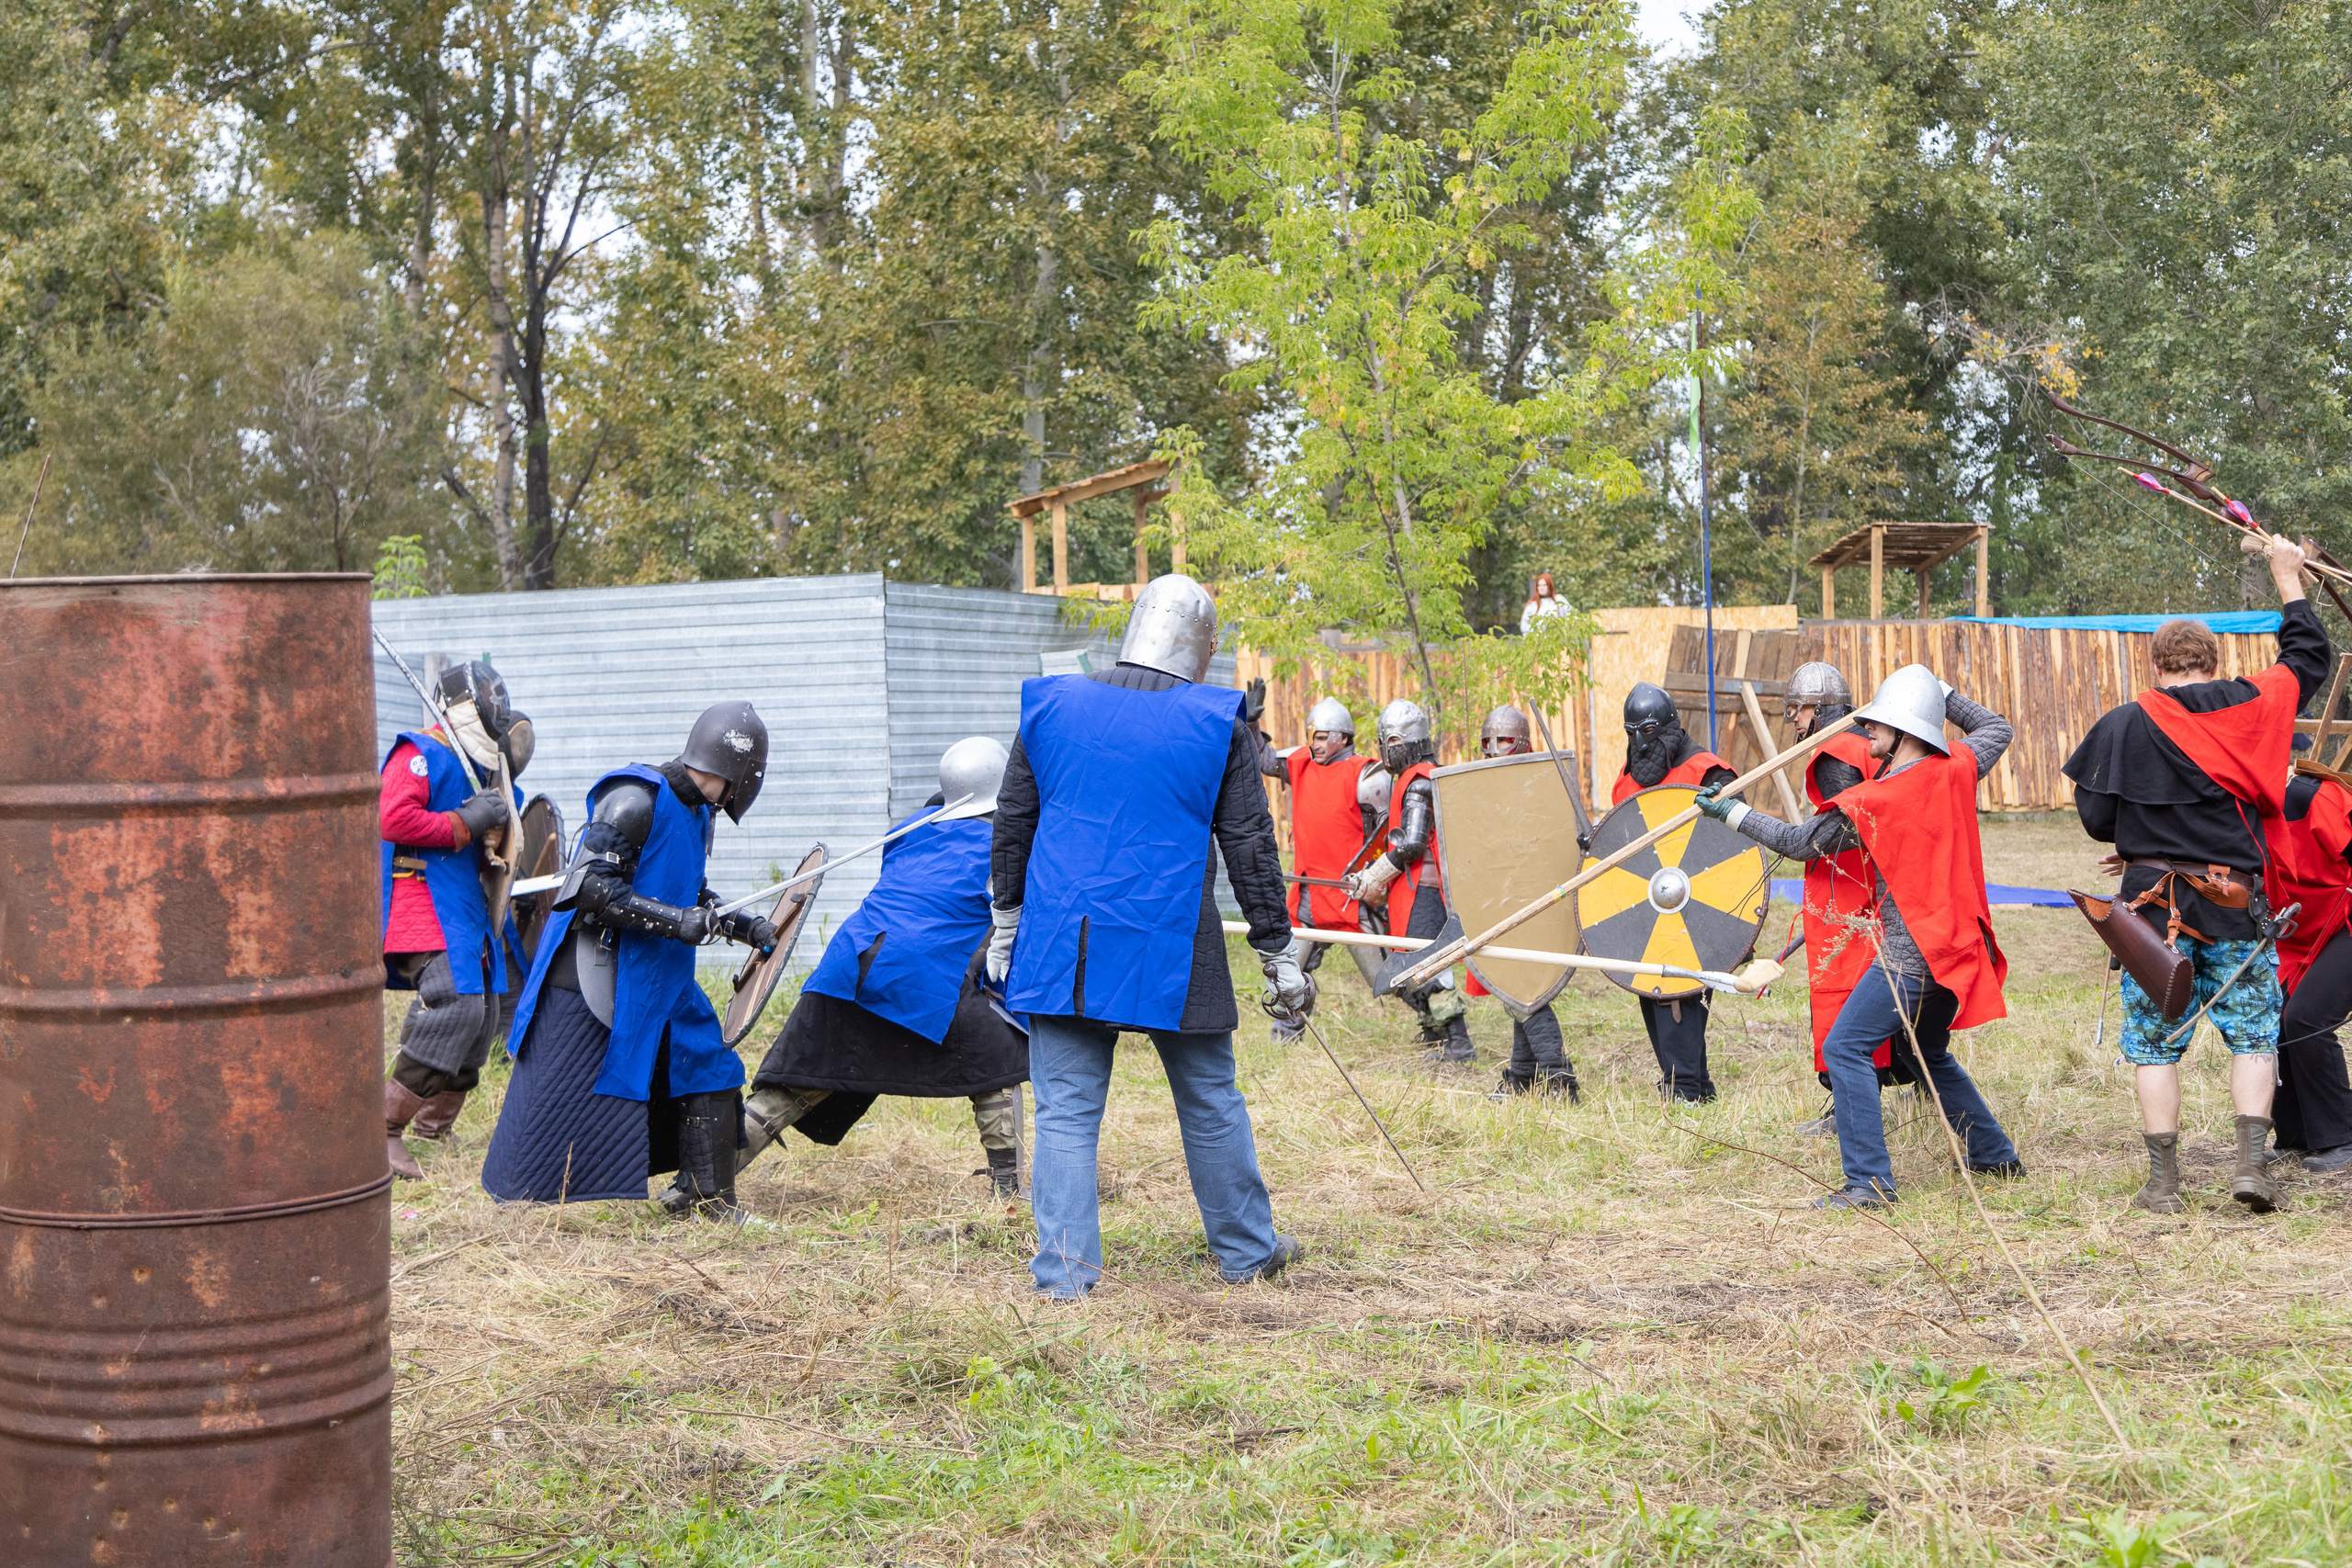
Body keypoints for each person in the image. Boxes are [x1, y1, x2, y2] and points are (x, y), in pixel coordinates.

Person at [989, 574, 1305, 1299]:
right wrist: (1276, 951)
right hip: (1171, 939)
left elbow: (1012, 822)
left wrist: (1006, 923)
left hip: (1066, 935)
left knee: (1064, 1108)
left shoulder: (1053, 704)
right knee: (1209, 1096)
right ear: (1201, 645)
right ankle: (1248, 1252)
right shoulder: (1214, 722)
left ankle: (1065, 1279)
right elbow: (1250, 845)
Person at [2062, 536, 2325, 1213]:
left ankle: (2164, 1183)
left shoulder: (2122, 724)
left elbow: (2097, 819)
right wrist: (2286, 575)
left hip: (2150, 912)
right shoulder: (2248, 701)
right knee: (2255, 1034)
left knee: (2154, 1045)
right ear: (2212, 660)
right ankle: (2250, 1169)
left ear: (2157, 665)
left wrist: (2145, 840)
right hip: (2233, 903)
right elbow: (2307, 657)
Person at [1699, 665, 2023, 1208]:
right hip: (1961, 945)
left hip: (1915, 951)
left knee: (1844, 1046)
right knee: (1926, 1053)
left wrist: (1733, 813)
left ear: (1908, 731)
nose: (1865, 730)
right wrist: (1940, 692)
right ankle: (1993, 1153)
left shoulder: (1878, 801)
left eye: (1880, 723)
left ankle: (1868, 1183)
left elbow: (1799, 841)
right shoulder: (1960, 766)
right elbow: (1996, 727)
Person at [481, 702, 780, 1219]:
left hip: (661, 968)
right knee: (563, 1085)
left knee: (708, 1062)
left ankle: (704, 1198)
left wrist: (739, 923)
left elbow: (685, 889)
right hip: (597, 968)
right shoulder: (635, 798)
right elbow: (590, 887)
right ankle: (521, 1195)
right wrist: (678, 922)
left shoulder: (696, 813)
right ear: (735, 773)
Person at [712, 737, 1033, 1204]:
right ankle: (1009, 1193)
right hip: (921, 976)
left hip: (845, 964)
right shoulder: (1007, 845)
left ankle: (703, 1183)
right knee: (999, 1064)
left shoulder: (910, 829)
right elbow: (1012, 918)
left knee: (795, 1084)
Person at [379, 660, 534, 1179]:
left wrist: (493, 837)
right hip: (422, 899)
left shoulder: (481, 764)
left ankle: (432, 1128)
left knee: (484, 1017)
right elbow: (393, 818)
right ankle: (381, 1129)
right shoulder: (419, 752)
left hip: (464, 904)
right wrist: (464, 822)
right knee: (456, 1005)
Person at [1782, 661, 1911, 1136]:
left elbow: (1853, 828)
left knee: (1846, 997)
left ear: (1821, 708)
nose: (1795, 719)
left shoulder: (1837, 753)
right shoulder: (1865, 745)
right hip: (1865, 887)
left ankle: (1847, 1110)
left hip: (1850, 891)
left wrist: (1799, 839)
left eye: (1799, 709)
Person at [1613, 682, 1736, 1100]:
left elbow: (1731, 847)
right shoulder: (1626, 782)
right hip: (1649, 901)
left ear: (1667, 728)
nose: (1638, 743)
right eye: (1630, 733)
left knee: (1680, 991)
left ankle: (1684, 1085)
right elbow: (1623, 841)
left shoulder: (1709, 772)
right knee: (1653, 988)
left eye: (1645, 731)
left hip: (1700, 898)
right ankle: (1693, 1083)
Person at [1346, 699, 1478, 1064]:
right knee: (1408, 962)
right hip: (1411, 885)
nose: (1384, 753)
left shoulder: (1420, 780)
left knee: (1429, 961)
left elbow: (1413, 843)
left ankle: (1458, 1041)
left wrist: (1375, 875)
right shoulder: (1409, 779)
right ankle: (1433, 1031)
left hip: (1426, 884)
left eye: (1387, 744)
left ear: (1400, 743)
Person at [1248, 694, 1382, 1040]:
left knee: (1389, 973)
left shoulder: (1365, 773)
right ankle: (1287, 1030)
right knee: (1292, 966)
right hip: (1309, 889)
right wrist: (1251, 723)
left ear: (1344, 738)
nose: (1316, 744)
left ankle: (1448, 1032)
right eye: (1313, 737)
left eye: (1323, 737)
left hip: (1353, 892)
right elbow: (1263, 760)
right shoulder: (1301, 764)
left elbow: (1388, 828)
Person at [1474, 704, 1582, 1100]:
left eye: (1502, 740)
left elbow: (1555, 843)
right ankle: (1523, 1077)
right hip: (1500, 899)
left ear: (1521, 742)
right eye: (1487, 741)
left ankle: (1558, 1077)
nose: (1492, 748)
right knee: (1514, 985)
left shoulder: (1542, 783)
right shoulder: (1482, 788)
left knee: (1523, 988)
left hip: (1537, 900)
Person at [2266, 766, 2352, 1172]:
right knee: (2275, 1021)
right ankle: (2297, 1136)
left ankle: (2341, 1136)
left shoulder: (2314, 798)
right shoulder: (2239, 810)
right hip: (2298, 937)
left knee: (2306, 1018)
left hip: (2346, 925)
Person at [1521, 570, 1571, 636]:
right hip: (1539, 641)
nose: (1542, 588)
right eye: (1539, 585)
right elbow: (1524, 625)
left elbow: (1571, 615)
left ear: (1549, 586)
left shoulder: (1559, 599)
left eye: (1544, 585)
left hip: (1558, 639)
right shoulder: (1532, 604)